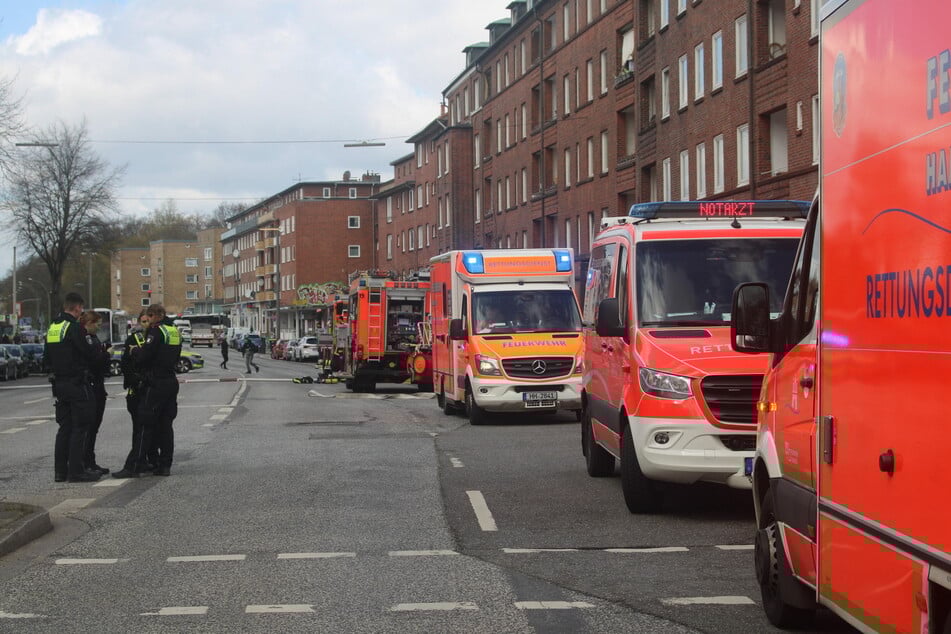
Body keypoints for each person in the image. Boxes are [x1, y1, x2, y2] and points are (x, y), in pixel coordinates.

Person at [114, 303, 181, 478]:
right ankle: (164, 465)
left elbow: (145, 356)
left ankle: (134, 465)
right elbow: (176, 355)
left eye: (150, 317)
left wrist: (135, 351)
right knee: (166, 426)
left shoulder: (156, 331)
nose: (149, 321)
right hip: (170, 381)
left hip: (155, 382)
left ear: (157, 315)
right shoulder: (173, 331)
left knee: (145, 424)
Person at [44, 292, 100, 483]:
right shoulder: (74, 327)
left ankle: (60, 472)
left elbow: (46, 358)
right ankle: (77, 471)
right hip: (76, 383)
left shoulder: (53, 327)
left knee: (65, 428)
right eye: (81, 308)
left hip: (59, 384)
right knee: (80, 427)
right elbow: (87, 352)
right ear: (77, 307)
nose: (81, 312)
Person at [78, 311, 111, 475]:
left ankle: (90, 461)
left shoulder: (93, 338)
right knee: (89, 427)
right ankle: (85, 462)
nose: (99, 328)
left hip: (98, 385)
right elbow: (94, 361)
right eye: (97, 324)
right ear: (89, 323)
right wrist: (107, 354)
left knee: (94, 427)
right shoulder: (86, 339)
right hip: (91, 385)